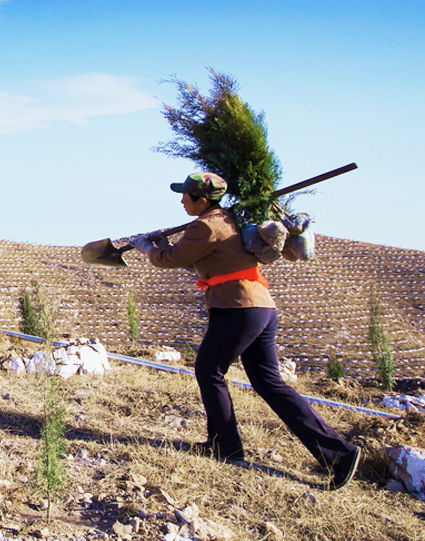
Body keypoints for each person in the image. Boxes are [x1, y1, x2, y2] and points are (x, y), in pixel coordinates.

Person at [131, 171, 361, 489]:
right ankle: (339, 454)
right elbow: (197, 257)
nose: (182, 200)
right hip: (261, 308)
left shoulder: (204, 226)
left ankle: (225, 446)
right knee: (269, 383)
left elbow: (170, 259)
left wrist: (147, 248)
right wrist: (164, 245)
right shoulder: (229, 219)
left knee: (209, 369)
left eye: (185, 195)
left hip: (237, 308)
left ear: (202, 200)